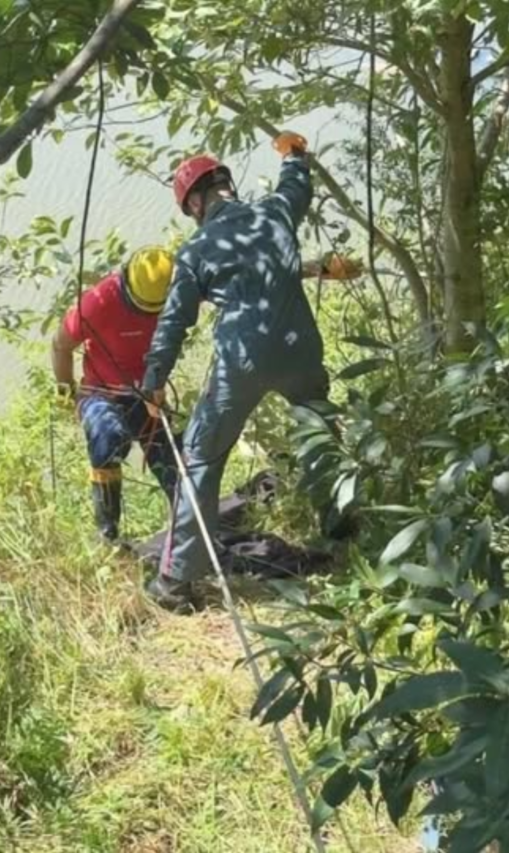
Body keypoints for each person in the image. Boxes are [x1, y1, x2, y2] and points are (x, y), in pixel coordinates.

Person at [141, 131, 330, 612]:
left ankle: (176, 582)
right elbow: (297, 185)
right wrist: (293, 154)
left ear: (196, 203)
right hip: (300, 351)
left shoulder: (195, 251)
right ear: (226, 184)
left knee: (201, 458)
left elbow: (174, 321)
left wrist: (155, 377)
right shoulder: (274, 212)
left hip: (240, 363)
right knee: (319, 431)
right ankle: (340, 524)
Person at [51, 246, 179, 541]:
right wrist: (66, 394)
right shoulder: (98, 302)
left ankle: (186, 532)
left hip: (148, 391)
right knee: (107, 439)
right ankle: (108, 531)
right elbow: (60, 345)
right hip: (101, 392)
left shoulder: (176, 292)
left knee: (173, 460)